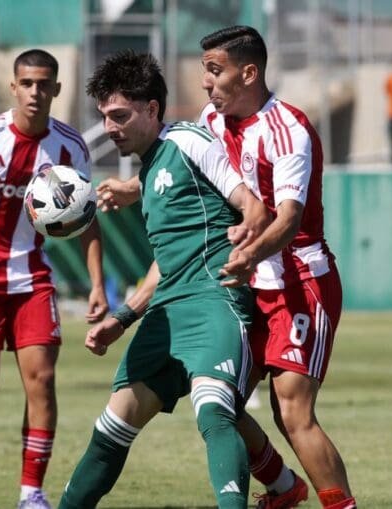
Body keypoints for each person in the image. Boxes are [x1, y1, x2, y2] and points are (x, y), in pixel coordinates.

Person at [58, 50, 269, 509]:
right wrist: (122, 317)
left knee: (214, 414)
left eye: (120, 115)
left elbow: (251, 205)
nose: (110, 127)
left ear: (152, 109)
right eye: (105, 117)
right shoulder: (149, 166)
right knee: (111, 427)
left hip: (215, 300)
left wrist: (247, 248)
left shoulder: (190, 140)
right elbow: (168, 260)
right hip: (165, 313)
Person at [0, 49, 108, 509]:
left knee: (43, 380)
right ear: (14, 87)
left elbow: (88, 219)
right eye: (26, 83)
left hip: (32, 279)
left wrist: (96, 285)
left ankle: (32, 492)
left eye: (43, 83)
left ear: (56, 89)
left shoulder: (70, 147)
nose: (35, 91)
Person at [199, 26, 356, 509]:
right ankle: (285, 488)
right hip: (244, 286)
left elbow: (288, 220)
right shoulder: (211, 119)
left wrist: (249, 254)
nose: (207, 84)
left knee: (292, 411)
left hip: (299, 283)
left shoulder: (288, 129)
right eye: (205, 71)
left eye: (215, 71)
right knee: (218, 401)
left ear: (249, 73)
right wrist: (133, 189)